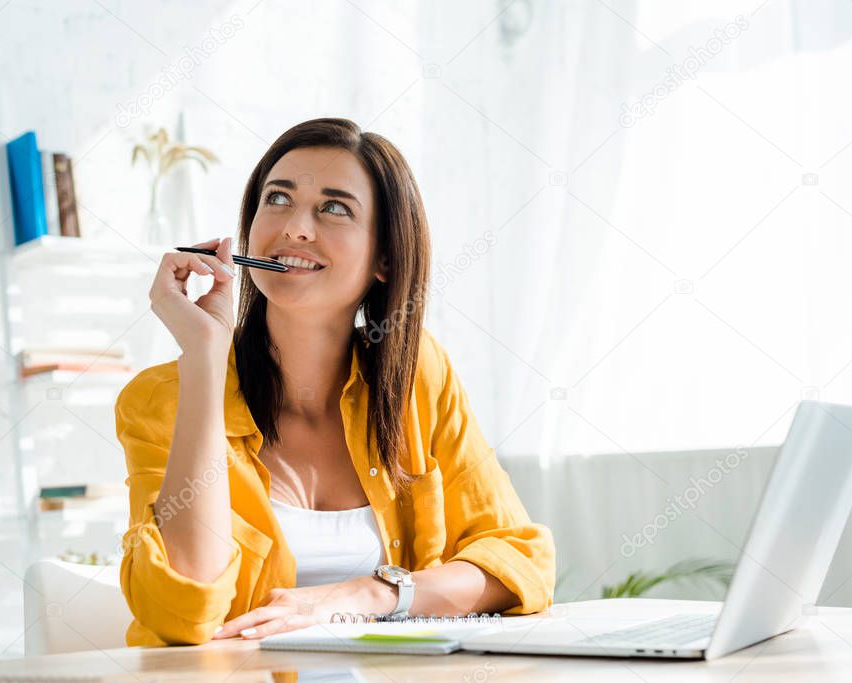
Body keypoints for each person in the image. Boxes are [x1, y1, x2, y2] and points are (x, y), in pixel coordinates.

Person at [115, 117, 555, 646]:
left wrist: (371, 594)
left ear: (386, 260)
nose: (296, 226)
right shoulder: (160, 399)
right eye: (277, 199)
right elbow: (182, 612)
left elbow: (520, 561)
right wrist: (205, 361)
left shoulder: (417, 377)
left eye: (334, 208)